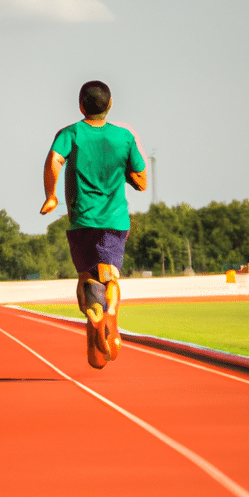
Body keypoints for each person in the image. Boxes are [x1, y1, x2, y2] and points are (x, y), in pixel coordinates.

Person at [41, 80, 147, 369]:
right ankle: (110, 310)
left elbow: (54, 160)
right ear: (110, 105)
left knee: (87, 276)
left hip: (81, 221)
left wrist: (51, 196)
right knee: (109, 274)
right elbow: (141, 180)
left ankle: (95, 320)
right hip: (114, 219)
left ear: (80, 106)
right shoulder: (124, 137)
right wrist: (126, 173)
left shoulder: (70, 133)